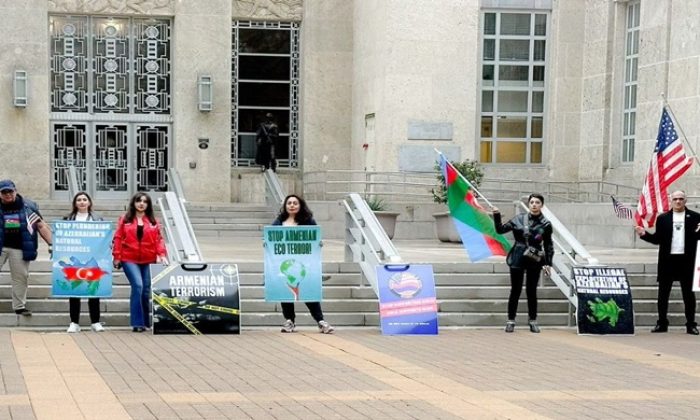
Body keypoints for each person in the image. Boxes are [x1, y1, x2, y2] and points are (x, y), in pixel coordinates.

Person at [635, 190, 700, 335]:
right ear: (671, 200)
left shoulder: (695, 218)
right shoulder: (663, 218)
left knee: (688, 295)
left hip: (687, 261)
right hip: (667, 261)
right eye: (675, 199)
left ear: (685, 201)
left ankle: (691, 324)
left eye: (681, 199)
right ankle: (662, 323)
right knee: (663, 294)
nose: (678, 201)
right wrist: (644, 234)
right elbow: (658, 239)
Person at [272, 194, 334, 334]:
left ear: (300, 205)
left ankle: (320, 321)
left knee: (308, 291)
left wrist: (318, 243)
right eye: (289, 203)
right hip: (285, 263)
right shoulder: (279, 222)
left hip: (303, 264)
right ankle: (289, 321)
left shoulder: (308, 221)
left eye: (295, 203)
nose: (292, 205)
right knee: (286, 292)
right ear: (285, 206)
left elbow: (314, 238)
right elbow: (271, 238)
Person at [493, 193, 554, 333]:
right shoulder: (518, 219)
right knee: (515, 290)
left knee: (531, 291)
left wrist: (548, 263)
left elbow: (549, 245)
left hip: (534, 259)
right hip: (518, 257)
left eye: (537, 202)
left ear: (542, 205)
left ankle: (533, 321)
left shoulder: (546, 224)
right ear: (528, 204)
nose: (534, 205)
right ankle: (511, 321)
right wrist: (496, 215)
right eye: (532, 202)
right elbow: (500, 230)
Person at [112, 192, 168, 332]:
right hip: (129, 258)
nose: (141, 204)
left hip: (148, 259)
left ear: (148, 205)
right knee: (138, 286)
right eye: (138, 201)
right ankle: (137, 323)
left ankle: (146, 322)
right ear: (134, 203)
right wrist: (117, 256)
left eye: (144, 201)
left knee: (145, 291)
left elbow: (159, 240)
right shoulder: (125, 219)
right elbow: (118, 238)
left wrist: (161, 254)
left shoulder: (154, 221)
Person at [0, 179, 53, 316]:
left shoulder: (28, 206)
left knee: (21, 277)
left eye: (10, 191)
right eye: (4, 192)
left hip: (19, 248)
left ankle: (19, 307)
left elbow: (41, 226)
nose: (7, 194)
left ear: (15, 191)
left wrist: (52, 244)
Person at [64, 192, 105, 333]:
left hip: (92, 259)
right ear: (75, 203)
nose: (82, 202)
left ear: (89, 202)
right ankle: (74, 322)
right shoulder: (69, 219)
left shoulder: (98, 219)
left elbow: (103, 238)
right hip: (76, 259)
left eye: (84, 199)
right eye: (79, 200)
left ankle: (95, 321)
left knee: (93, 289)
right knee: (74, 289)